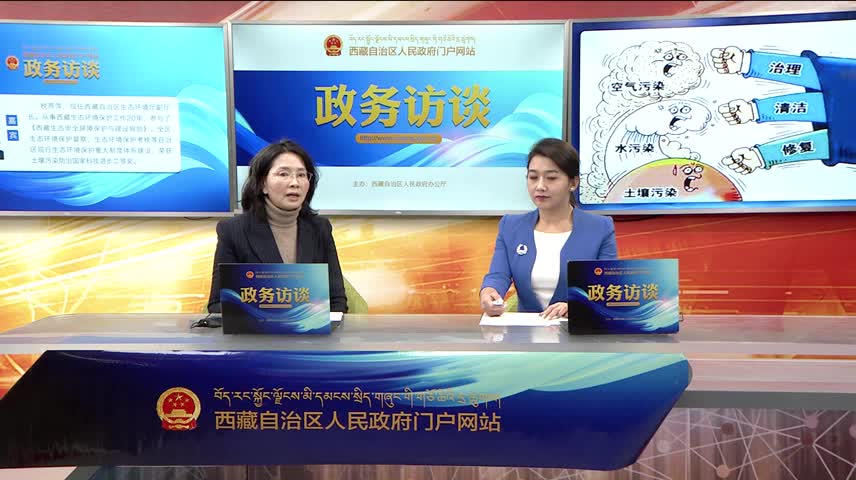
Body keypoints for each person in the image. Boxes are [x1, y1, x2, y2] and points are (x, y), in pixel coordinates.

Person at [480, 138, 618, 319]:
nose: (540, 186)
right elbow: (498, 275)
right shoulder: (510, 226)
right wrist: (489, 292)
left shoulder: (600, 228)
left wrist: (577, 306)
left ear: (573, 182)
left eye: (551, 178)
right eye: (533, 177)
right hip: (525, 333)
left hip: (577, 330)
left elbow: (608, 289)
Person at [207, 139, 348, 313]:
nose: (295, 183)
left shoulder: (320, 228)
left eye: (301, 175)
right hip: (256, 329)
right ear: (262, 184)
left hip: (311, 329)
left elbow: (336, 300)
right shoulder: (232, 231)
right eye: (283, 174)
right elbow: (217, 304)